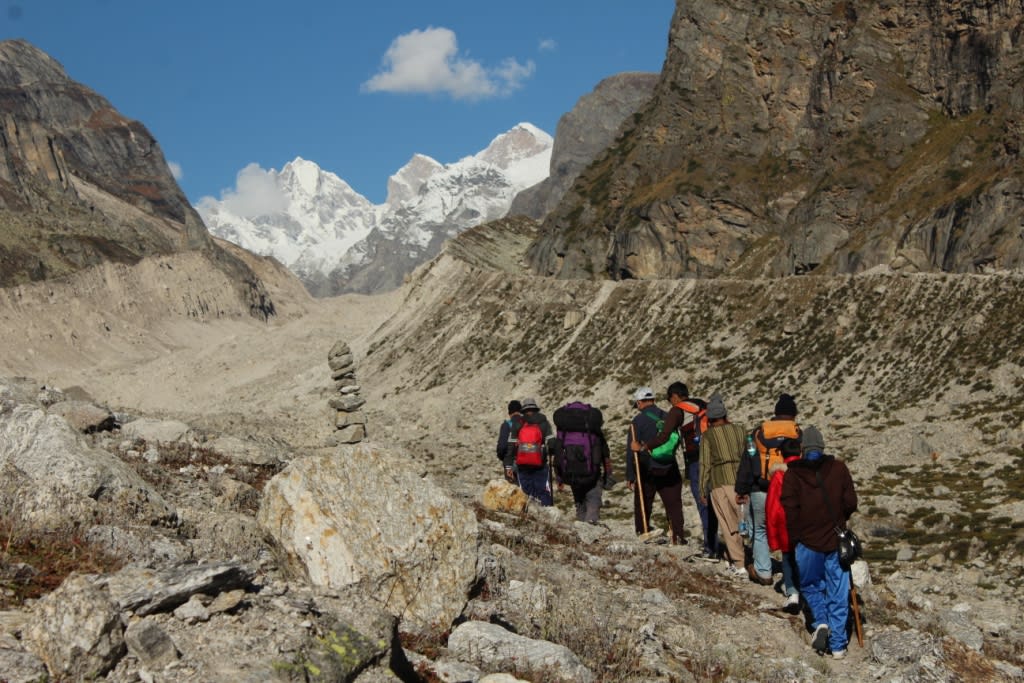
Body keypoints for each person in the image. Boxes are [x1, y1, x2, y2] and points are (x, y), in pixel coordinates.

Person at [781, 426, 858, 659]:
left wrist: (795, 539)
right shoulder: (839, 468)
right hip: (835, 540)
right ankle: (838, 645)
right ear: (823, 447)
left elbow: (789, 509)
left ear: (803, 449)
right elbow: (850, 502)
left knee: (810, 585)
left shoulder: (792, 475)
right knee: (838, 589)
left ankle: (821, 622)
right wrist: (839, 520)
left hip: (806, 542)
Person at [638, 382, 717, 557]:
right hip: (716, 458)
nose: (670, 403)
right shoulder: (703, 405)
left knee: (703, 502)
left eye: (670, 399)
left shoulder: (678, 410)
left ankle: (711, 547)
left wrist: (645, 446)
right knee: (718, 501)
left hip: (698, 460)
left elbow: (665, 435)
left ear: (675, 396)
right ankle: (725, 545)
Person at [736, 393, 800, 586]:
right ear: (793, 414)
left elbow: (747, 461)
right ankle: (794, 574)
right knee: (792, 530)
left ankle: (764, 572)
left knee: (760, 530)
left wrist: (742, 489)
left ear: (776, 412)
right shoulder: (798, 432)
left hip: (761, 489)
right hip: (790, 490)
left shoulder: (758, 432)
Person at [625, 387, 686, 544]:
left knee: (644, 501)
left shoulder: (637, 422)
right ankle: (677, 535)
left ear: (639, 403)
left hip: (647, 466)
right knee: (673, 503)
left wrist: (630, 475)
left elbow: (631, 450)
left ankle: (643, 530)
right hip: (668, 465)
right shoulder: (668, 417)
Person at [698, 393, 747, 577]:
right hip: (742, 480)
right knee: (744, 522)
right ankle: (753, 560)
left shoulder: (708, 436)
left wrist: (702, 488)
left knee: (728, 524)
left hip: (720, 482)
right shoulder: (740, 430)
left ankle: (739, 563)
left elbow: (704, 464)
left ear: (709, 417)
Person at [552, 401, 611, 524]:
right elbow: (605, 454)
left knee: (579, 503)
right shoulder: (594, 430)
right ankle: (591, 528)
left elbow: (557, 455)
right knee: (593, 500)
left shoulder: (564, 431)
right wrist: (608, 475)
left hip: (571, 473)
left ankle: (581, 530)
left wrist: (559, 478)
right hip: (593, 475)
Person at [765, 436, 804, 613]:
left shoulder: (779, 475)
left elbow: (772, 507)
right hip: (808, 525)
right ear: (800, 452)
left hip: (786, 524)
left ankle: (792, 593)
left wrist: (773, 539)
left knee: (788, 558)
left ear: (781, 455)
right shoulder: (808, 472)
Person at [504, 398, 553, 505]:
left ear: (523, 410)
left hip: (522, 465)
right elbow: (552, 443)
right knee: (543, 492)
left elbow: (511, 446)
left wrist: (508, 466)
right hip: (540, 465)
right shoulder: (544, 423)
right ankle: (547, 516)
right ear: (535, 409)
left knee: (526, 493)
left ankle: (530, 517)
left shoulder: (518, 423)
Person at [496, 400, 523, 483]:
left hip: (511, 463)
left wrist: (503, 458)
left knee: (514, 492)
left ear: (509, 413)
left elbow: (502, 447)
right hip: (528, 462)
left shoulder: (507, 425)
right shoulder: (528, 423)